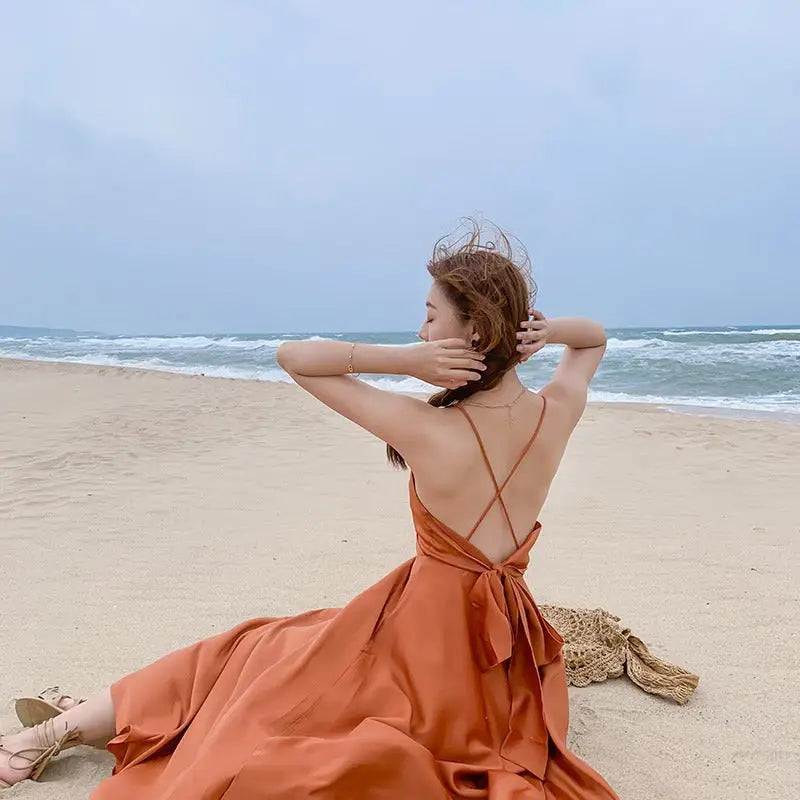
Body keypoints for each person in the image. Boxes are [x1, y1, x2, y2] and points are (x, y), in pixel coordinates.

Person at [0, 223, 617, 798]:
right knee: (280, 645)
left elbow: (294, 358)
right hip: (503, 651)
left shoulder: (423, 426)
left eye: (430, 318)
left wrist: (403, 361)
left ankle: (46, 736)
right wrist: (547, 330)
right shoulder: (556, 412)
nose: (423, 332)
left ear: (475, 333)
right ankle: (69, 725)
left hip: (417, 639)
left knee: (249, 653)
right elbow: (593, 340)